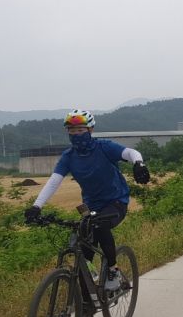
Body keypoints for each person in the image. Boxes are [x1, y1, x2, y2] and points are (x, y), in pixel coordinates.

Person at [24, 109, 150, 292]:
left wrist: (139, 163)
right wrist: (37, 206)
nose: (76, 134)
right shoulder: (69, 156)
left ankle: (113, 272)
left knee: (100, 225)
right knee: (83, 252)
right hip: (91, 206)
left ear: (90, 130)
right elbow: (54, 182)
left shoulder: (104, 147)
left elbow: (131, 152)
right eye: (71, 131)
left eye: (80, 130)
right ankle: (86, 304)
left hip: (116, 201)